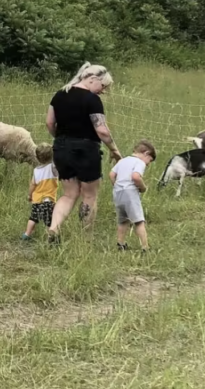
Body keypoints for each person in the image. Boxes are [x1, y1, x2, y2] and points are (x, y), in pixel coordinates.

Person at [45, 63, 122, 244]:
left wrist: (62, 140)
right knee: (89, 195)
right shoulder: (92, 99)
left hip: (61, 149)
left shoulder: (59, 94)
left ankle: (54, 229)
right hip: (86, 151)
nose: (103, 91)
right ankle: (85, 238)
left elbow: (49, 123)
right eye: (103, 86)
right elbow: (102, 131)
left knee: (68, 194)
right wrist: (114, 150)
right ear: (92, 79)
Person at [109, 140, 156, 252]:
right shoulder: (139, 162)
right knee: (139, 221)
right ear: (146, 153)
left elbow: (111, 174)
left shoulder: (122, 161)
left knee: (123, 220)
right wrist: (143, 188)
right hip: (130, 193)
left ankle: (121, 244)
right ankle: (145, 247)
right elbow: (135, 177)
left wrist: (117, 186)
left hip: (118, 192)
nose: (148, 164)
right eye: (150, 160)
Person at [22, 143, 58, 240]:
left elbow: (32, 185)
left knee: (33, 218)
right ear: (52, 156)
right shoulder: (53, 168)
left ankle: (27, 234)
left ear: (37, 158)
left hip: (37, 200)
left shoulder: (36, 171)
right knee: (49, 220)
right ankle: (50, 236)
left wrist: (29, 195)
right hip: (48, 200)